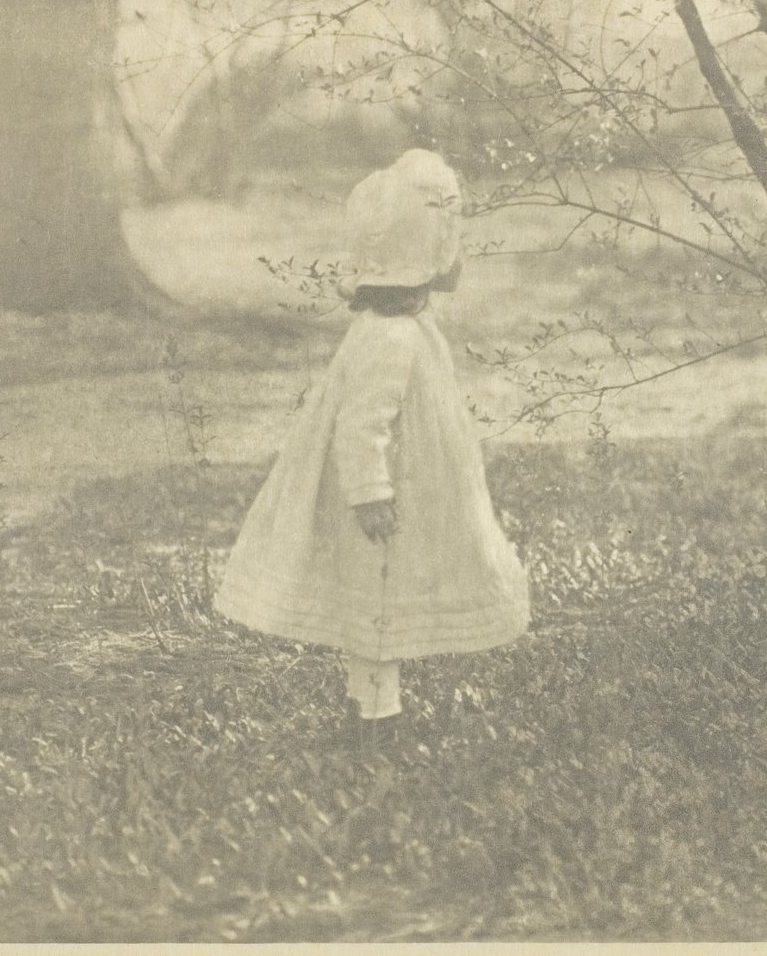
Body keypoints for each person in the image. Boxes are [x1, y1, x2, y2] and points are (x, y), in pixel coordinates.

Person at [214, 149, 531, 755]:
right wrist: (369, 491)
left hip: (410, 479)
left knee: (382, 591)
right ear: (421, 265)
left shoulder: (405, 332)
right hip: (387, 492)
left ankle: (372, 704)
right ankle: (378, 717)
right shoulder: (390, 339)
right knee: (378, 593)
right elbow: (361, 424)